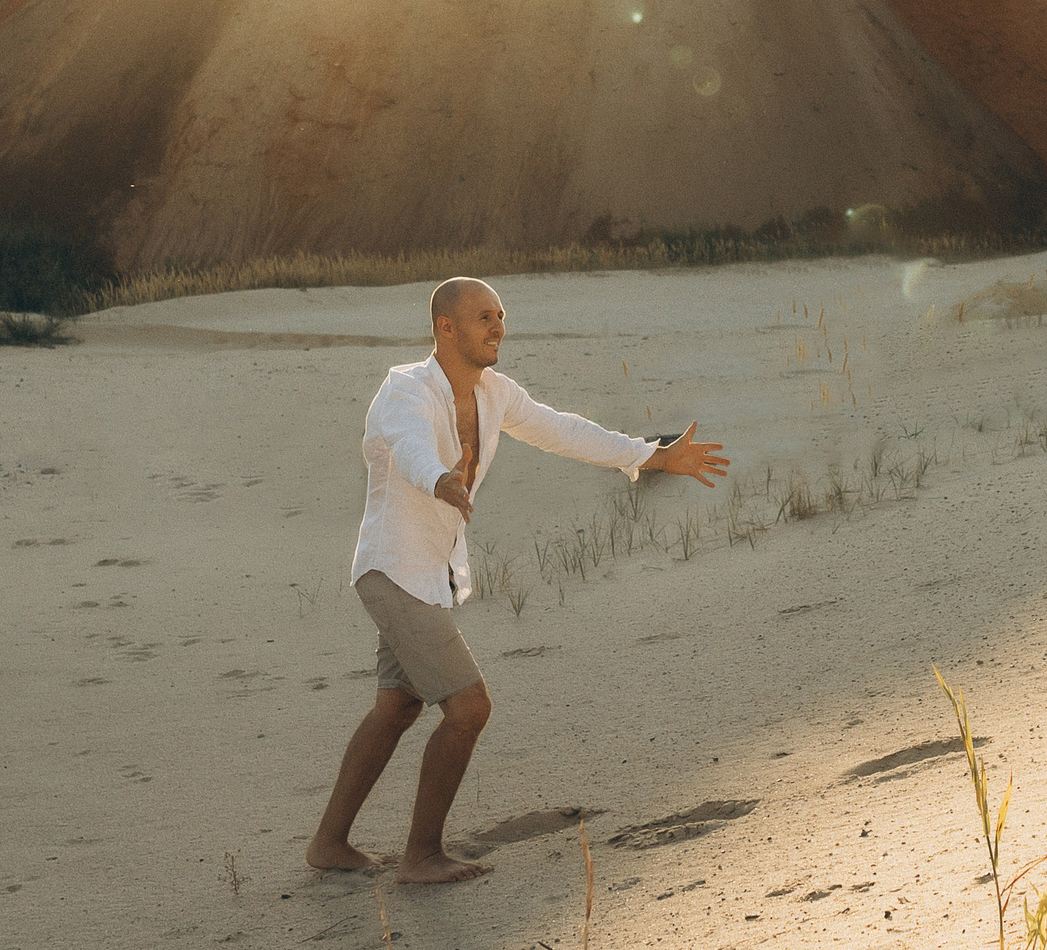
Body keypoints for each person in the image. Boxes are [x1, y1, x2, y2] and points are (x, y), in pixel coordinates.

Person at [305, 276, 729, 883]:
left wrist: (649, 455)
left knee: (398, 706)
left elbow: (563, 429)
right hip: (391, 568)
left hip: (426, 575)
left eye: (501, 315)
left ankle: (328, 843)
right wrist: (441, 480)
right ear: (446, 327)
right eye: (484, 316)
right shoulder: (406, 389)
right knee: (469, 709)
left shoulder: (495, 393)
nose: (498, 326)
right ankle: (421, 855)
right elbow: (407, 447)